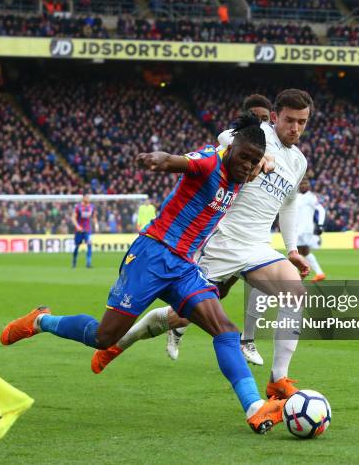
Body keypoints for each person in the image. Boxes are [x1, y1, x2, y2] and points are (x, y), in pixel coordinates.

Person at [0, 113, 288, 434]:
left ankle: (254, 407)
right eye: (244, 158)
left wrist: (266, 163)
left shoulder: (245, 171)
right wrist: (161, 160)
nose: (247, 166)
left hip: (183, 266)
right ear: (231, 149)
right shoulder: (210, 161)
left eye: (253, 161)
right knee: (103, 337)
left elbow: (260, 163)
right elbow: (181, 162)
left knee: (225, 330)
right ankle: (41, 320)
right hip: (151, 255)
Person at [92, 89, 313, 401]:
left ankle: (278, 380)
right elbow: (225, 139)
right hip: (218, 243)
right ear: (275, 117)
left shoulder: (298, 161)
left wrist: (291, 249)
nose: (295, 128)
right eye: (289, 120)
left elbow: (288, 205)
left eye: (302, 122)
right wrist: (260, 156)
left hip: (257, 246)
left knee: (294, 293)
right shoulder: (259, 135)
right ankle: (119, 343)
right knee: (179, 316)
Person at [296, 179, 326, 283]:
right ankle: (319, 273)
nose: (304, 185)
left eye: (306, 184)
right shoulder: (298, 197)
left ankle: (297, 276)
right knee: (303, 252)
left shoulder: (311, 197)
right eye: (302, 184)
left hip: (305, 229)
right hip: (297, 229)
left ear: (309, 185)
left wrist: (320, 225)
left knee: (295, 252)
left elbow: (321, 210)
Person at [71, 194, 97, 268]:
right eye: (87, 197)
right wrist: (77, 226)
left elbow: (94, 217)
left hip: (87, 230)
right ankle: (74, 262)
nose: (88, 198)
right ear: (83, 198)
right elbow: (73, 217)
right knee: (77, 246)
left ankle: (88, 263)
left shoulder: (92, 207)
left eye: (89, 197)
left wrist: (96, 224)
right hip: (79, 230)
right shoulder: (78, 207)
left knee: (89, 245)